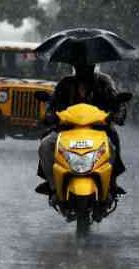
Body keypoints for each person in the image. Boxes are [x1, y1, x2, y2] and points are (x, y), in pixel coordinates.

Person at [36, 61, 127, 200]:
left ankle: (111, 182)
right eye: (80, 64)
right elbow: (52, 104)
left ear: (93, 65)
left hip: (98, 129)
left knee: (112, 142)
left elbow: (116, 102)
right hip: (66, 130)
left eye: (87, 65)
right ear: (75, 66)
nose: (83, 69)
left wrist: (117, 114)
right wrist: (50, 115)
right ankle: (52, 185)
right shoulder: (65, 84)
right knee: (46, 144)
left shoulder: (104, 83)